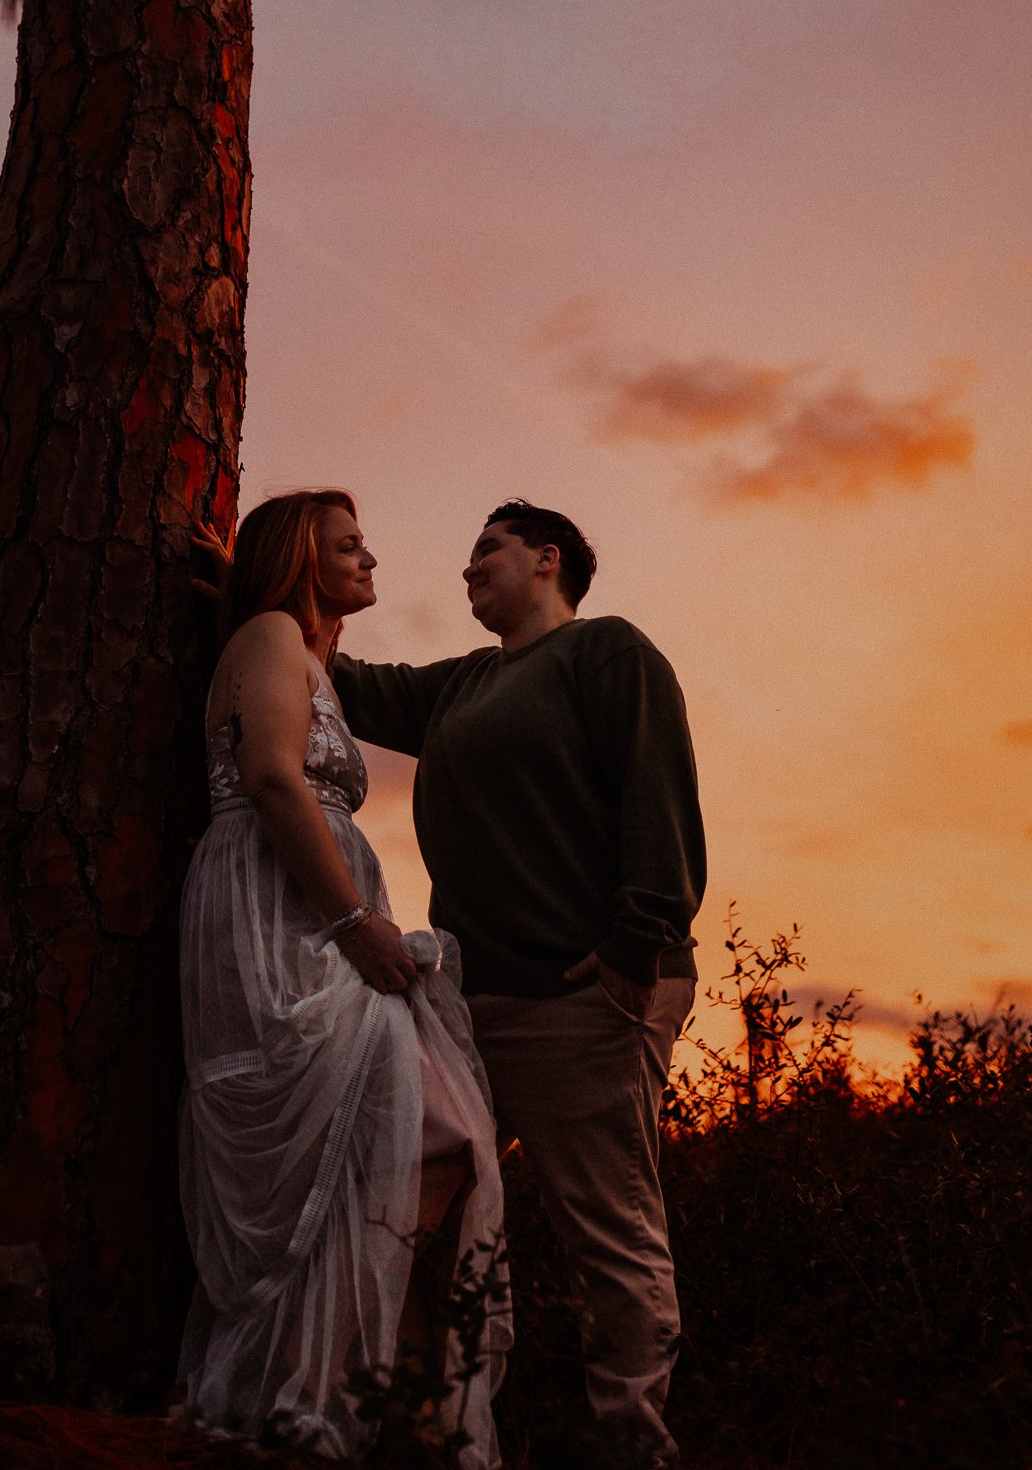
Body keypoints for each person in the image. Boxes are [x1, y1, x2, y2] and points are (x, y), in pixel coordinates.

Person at [331, 500, 706, 1466]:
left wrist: (636, 944)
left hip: (582, 995)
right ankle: (427, 1429)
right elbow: (347, 688)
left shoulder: (605, 654)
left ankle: (633, 1445)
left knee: (606, 1228)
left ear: (548, 561)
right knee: (416, 1202)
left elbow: (654, 791)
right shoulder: (462, 684)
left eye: (486, 550)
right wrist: (261, 593)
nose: (467, 570)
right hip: (467, 1003)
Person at [177, 490, 509, 1464]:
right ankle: (297, 1401)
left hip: (318, 917)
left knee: (427, 1139)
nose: (372, 558)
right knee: (380, 1145)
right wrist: (355, 920)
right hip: (283, 920)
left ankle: (334, 1390)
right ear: (300, 558)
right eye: (348, 544)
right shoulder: (273, 633)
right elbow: (277, 777)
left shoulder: (311, 656)